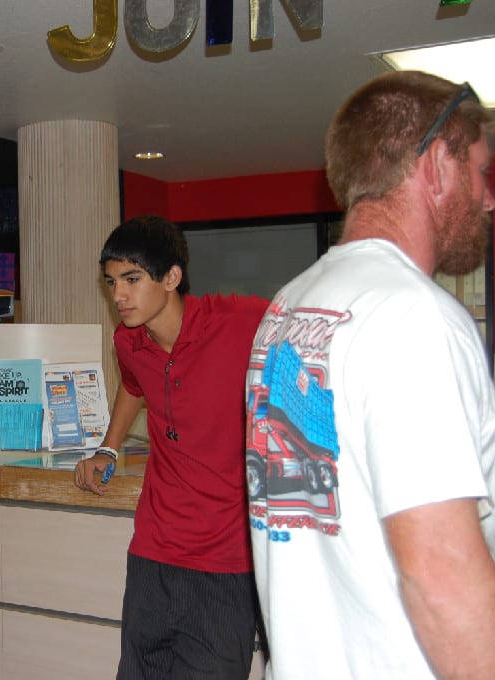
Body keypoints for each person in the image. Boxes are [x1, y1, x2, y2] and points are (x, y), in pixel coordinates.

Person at [245, 70, 495, 678]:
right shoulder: (415, 317)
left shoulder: (287, 308)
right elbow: (439, 576)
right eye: (484, 174)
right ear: (438, 164)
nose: (490, 199)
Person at [74, 215, 269, 679]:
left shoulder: (238, 321)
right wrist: (109, 448)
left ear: (172, 277)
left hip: (227, 562)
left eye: (132, 279)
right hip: (153, 556)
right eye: (111, 282)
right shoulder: (129, 340)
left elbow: (314, 333)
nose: (118, 295)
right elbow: (135, 384)